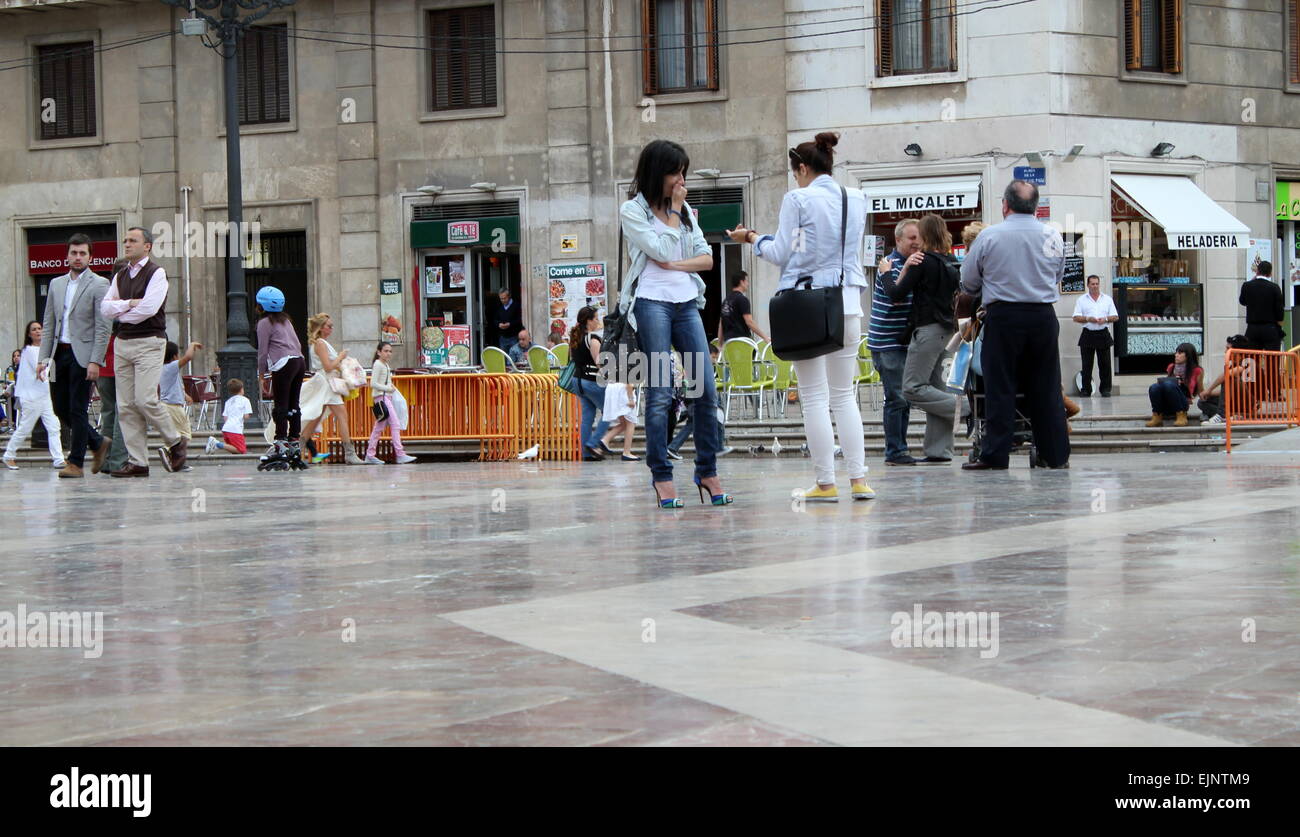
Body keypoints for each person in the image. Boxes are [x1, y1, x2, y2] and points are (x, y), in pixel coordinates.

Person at [728, 132, 872, 501]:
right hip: (849, 304)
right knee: (844, 396)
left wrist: (751, 238)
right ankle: (859, 480)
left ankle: (826, 483)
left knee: (812, 396)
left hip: (808, 304)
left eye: (796, 173)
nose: (796, 180)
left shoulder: (798, 199)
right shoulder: (856, 198)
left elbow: (781, 253)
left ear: (803, 168)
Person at [619, 139, 729, 508]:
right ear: (657, 173)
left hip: (685, 305)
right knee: (661, 393)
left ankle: (706, 470)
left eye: (684, 172)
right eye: (675, 172)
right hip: (651, 304)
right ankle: (662, 476)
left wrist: (676, 263)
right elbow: (662, 249)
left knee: (705, 390)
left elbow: (707, 259)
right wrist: (675, 213)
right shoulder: (632, 211)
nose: (681, 179)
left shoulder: (686, 212)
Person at [959, 180, 1069, 470]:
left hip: (1004, 316)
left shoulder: (989, 236)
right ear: (1034, 206)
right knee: (1046, 387)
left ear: (1005, 205)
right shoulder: (1053, 236)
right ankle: (1054, 454)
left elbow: (968, 282)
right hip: (1043, 316)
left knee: (1000, 386)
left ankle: (996, 454)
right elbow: (1058, 273)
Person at [100, 227, 186, 477]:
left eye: (133, 241)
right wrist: (127, 304)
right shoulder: (120, 276)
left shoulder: (156, 273)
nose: (126, 244)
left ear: (147, 246)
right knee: (125, 405)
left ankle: (175, 440)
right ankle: (138, 461)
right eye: (125, 240)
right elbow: (105, 308)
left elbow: (148, 308)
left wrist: (121, 315)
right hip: (123, 343)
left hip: (149, 340)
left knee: (145, 399)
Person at [882, 213, 961, 465]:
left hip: (927, 331)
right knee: (936, 388)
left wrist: (886, 272)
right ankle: (939, 451)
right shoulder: (952, 261)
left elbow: (895, 293)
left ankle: (967, 409)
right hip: (949, 331)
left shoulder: (921, 261)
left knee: (912, 388)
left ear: (925, 235)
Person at [36, 233, 111, 478]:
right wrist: (43, 359)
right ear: (66, 255)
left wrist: (95, 360)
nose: (77, 258)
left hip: (83, 354)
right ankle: (97, 441)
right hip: (59, 355)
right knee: (59, 407)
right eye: (73, 253)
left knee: (78, 409)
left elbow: (103, 326)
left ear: (90, 256)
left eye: (82, 253)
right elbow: (48, 323)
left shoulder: (99, 284)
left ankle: (75, 463)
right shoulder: (57, 284)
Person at [871, 219, 920, 466]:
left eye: (918, 237)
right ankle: (895, 451)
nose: (917, 242)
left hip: (903, 341)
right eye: (911, 238)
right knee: (897, 397)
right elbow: (896, 296)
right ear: (898, 239)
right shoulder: (887, 265)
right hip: (886, 341)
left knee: (904, 397)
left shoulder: (916, 262)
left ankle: (900, 448)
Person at [298, 313, 365, 465]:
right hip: (327, 383)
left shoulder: (321, 343)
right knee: (342, 416)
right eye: (329, 326)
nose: (331, 328)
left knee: (315, 419)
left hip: (327, 383)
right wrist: (340, 357)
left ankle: (297, 450)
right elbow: (328, 367)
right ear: (321, 328)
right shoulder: (320, 343)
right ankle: (349, 454)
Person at [254, 286, 307, 465]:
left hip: (283, 363)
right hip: (299, 361)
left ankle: (280, 443)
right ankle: (294, 441)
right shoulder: (286, 321)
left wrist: (262, 375)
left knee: (281, 406)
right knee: (294, 405)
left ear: (260, 306)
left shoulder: (263, 323)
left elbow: (262, 351)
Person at [3, 321, 65, 470]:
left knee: (53, 426)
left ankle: (58, 459)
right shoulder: (29, 351)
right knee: (25, 427)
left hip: (44, 395)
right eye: (34, 330)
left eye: (39, 329)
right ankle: (8, 455)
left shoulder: (46, 350)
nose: (38, 331)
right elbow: (43, 373)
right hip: (31, 396)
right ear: (29, 334)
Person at [667, 345, 731, 459]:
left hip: (688, 395)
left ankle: (673, 447)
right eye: (714, 357)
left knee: (693, 421)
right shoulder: (700, 364)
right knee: (714, 415)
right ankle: (673, 447)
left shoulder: (697, 361)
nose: (715, 361)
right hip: (693, 395)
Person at [569, 306, 610, 461]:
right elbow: (599, 363)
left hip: (577, 381)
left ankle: (585, 453)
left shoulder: (575, 338)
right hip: (590, 381)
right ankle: (593, 443)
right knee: (609, 411)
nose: (598, 321)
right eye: (596, 318)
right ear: (589, 321)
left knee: (587, 416)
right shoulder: (592, 339)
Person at [365, 341, 416, 464]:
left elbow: (381, 382)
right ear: (379, 352)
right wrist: (388, 388)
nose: (388, 354)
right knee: (395, 424)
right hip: (382, 398)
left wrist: (390, 388)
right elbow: (373, 383)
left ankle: (370, 454)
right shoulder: (379, 365)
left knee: (378, 428)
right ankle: (399, 453)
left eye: (390, 351)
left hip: (384, 397)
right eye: (386, 351)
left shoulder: (384, 365)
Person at [1071, 274, 1118, 397]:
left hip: (1103, 333)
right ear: (1088, 285)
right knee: (1087, 364)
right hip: (1088, 333)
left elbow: (1115, 316)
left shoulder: (1107, 299)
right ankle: (1086, 389)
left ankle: (1106, 389)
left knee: (1105, 364)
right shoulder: (1081, 299)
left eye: (1097, 283)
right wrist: (1088, 318)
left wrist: (1106, 319)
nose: (1095, 286)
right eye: (1092, 284)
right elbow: (1075, 317)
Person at [159, 341, 202, 471]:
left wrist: (185, 395)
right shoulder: (171, 366)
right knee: (184, 434)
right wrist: (192, 345)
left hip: (166, 405)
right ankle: (172, 456)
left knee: (175, 433)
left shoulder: (162, 368)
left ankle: (174, 460)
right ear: (173, 356)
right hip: (173, 407)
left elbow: (174, 386)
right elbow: (188, 357)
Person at [1198, 334, 1251, 424]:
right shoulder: (1232, 365)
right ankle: (1230, 416)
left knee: (1228, 377)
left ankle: (1222, 415)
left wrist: (1209, 390)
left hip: (1247, 403)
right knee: (1202, 402)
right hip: (1235, 401)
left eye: (1228, 348)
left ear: (1237, 351)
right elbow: (1226, 391)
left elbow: (1225, 376)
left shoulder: (1246, 363)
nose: (1225, 351)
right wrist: (1208, 393)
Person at [1147, 343, 1203, 427]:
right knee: (1154, 387)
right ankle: (1157, 415)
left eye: (1180, 353)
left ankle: (1181, 416)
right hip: (1167, 402)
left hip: (1182, 403)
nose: (1176, 355)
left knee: (1169, 385)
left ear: (1188, 355)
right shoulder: (1171, 367)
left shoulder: (1197, 370)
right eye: (1176, 352)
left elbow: (1200, 390)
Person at [1240, 261, 1284, 351]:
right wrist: (1279, 323)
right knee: (1272, 360)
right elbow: (1279, 310)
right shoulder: (1274, 287)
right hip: (1270, 328)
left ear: (1257, 271)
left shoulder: (1247, 285)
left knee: (1252, 359)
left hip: (1252, 328)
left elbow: (1242, 301)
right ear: (1270, 273)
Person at [203, 379, 253, 455]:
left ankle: (217, 445)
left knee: (234, 448)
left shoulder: (228, 401)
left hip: (226, 428)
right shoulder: (245, 400)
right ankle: (217, 444)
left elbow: (225, 417)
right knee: (241, 450)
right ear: (241, 389)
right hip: (236, 429)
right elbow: (246, 416)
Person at [718, 272, 769, 343]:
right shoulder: (742, 299)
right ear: (742, 282)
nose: (748, 284)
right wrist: (765, 337)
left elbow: (721, 323)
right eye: (747, 281)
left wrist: (719, 344)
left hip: (728, 343)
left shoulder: (726, 301)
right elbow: (749, 322)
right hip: (742, 342)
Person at [599, 381, 640, 461]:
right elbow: (629, 381)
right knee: (631, 423)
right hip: (624, 389)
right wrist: (631, 398)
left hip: (612, 387)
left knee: (624, 424)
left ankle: (605, 440)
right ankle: (626, 452)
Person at [493, 288, 524, 353]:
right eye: (501, 298)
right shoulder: (499, 307)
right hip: (503, 338)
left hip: (514, 337)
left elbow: (520, 320)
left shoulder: (516, 306)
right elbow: (495, 320)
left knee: (515, 357)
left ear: (509, 296)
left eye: (504, 298)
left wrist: (510, 324)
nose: (503, 300)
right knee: (503, 358)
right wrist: (499, 324)